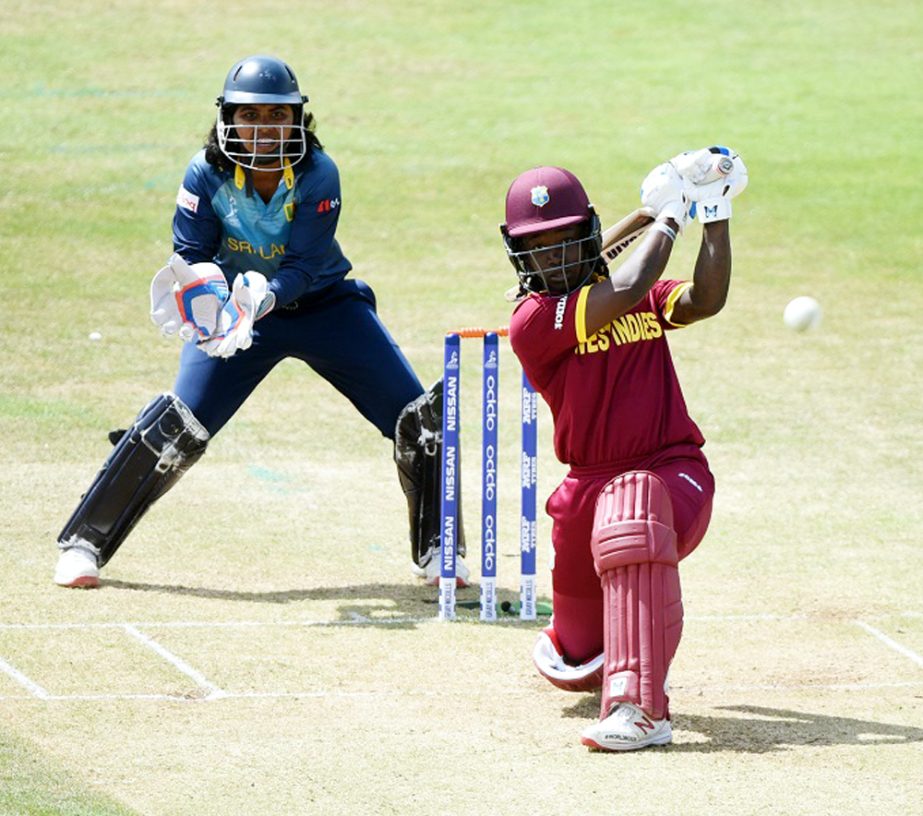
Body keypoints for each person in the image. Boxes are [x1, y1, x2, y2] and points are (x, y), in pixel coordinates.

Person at [54, 54, 467, 588]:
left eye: (278, 115)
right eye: (250, 116)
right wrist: (207, 305)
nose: (264, 128)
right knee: (179, 424)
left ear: (298, 118)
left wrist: (261, 299)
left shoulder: (319, 174)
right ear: (227, 116)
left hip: (323, 307)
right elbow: (191, 249)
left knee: (418, 419)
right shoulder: (205, 172)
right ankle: (85, 544)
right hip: (234, 316)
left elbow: (303, 265)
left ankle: (440, 551)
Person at [500, 148, 748, 751]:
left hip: (671, 472)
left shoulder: (632, 292)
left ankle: (641, 710)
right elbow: (628, 282)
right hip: (586, 487)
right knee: (579, 655)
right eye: (538, 247)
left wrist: (711, 211)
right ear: (518, 254)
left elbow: (703, 300)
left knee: (633, 511)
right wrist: (668, 217)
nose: (552, 258)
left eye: (564, 241)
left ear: (588, 233)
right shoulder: (534, 320)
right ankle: (604, 645)